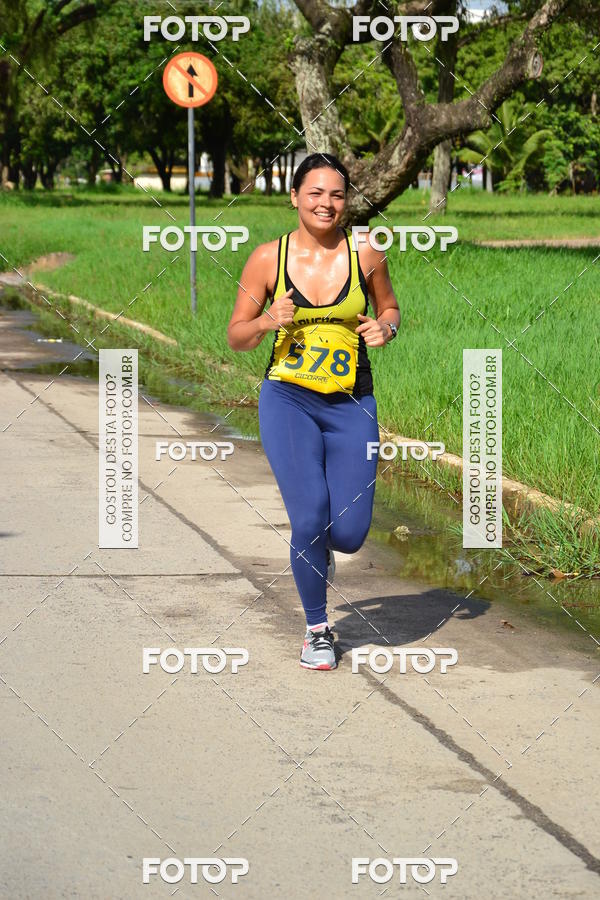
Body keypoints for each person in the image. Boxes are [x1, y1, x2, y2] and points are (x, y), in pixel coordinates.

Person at [227, 153, 400, 670]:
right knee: (309, 518)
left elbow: (390, 307)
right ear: (295, 196)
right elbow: (236, 336)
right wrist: (265, 322)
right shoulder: (266, 260)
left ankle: (316, 552)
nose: (327, 204)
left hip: (352, 403)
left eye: (337, 195)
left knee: (346, 534)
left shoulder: (366, 252)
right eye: (316, 193)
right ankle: (317, 629)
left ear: (347, 201)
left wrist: (385, 328)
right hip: (288, 400)